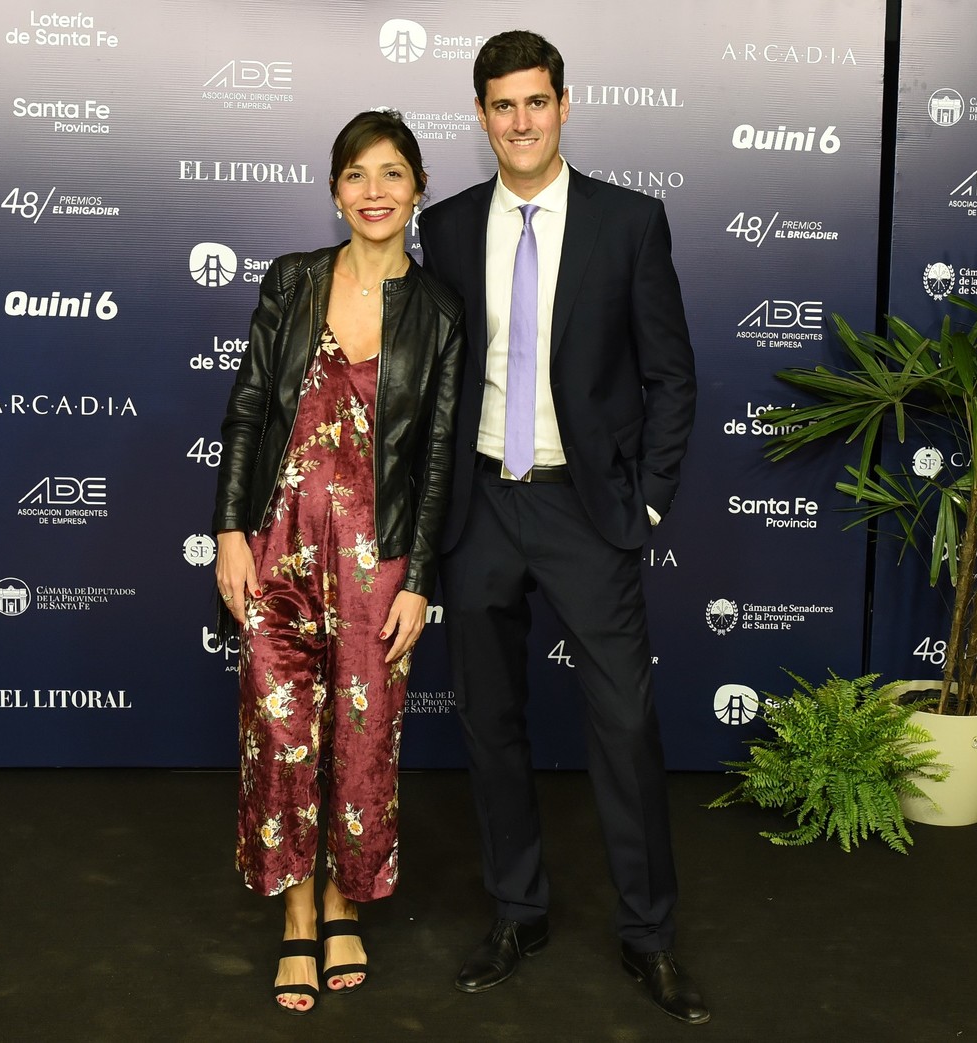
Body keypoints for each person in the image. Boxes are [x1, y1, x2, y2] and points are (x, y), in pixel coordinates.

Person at [417, 31, 708, 1025]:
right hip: (482, 507)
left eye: (535, 102)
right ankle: (516, 910)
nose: (520, 121)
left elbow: (672, 374)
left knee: (623, 724)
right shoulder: (447, 227)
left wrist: (649, 500)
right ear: (482, 115)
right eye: (501, 105)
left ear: (564, 106)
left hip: (586, 509)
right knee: (488, 723)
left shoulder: (628, 221)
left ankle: (648, 934)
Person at [213, 109, 464, 1015]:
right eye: (357, 174)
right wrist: (230, 531)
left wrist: (424, 578)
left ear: (418, 189)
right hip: (277, 544)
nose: (374, 191)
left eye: (392, 173)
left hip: (379, 562)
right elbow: (248, 409)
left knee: (364, 747)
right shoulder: (292, 283)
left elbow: (437, 457)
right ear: (334, 190)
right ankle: (292, 918)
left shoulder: (437, 310)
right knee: (280, 736)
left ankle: (342, 899)